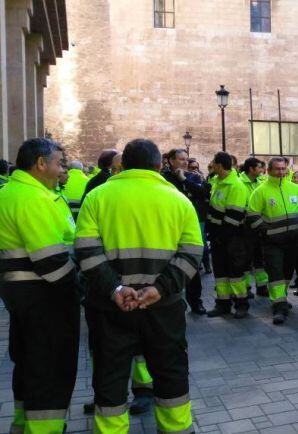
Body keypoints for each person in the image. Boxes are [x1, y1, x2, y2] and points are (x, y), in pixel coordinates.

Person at [75, 138, 202, 434]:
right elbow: (193, 252)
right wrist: (160, 289)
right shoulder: (178, 199)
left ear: (123, 165)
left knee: (109, 376)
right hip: (164, 306)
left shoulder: (98, 197)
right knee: (170, 373)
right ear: (160, 165)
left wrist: (116, 289)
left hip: (110, 307)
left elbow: (85, 251)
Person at [0, 138, 80, 433]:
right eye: (59, 163)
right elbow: (52, 263)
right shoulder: (32, 198)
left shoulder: (11, 191)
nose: (62, 169)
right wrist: (78, 291)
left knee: (29, 362)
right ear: (41, 163)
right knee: (50, 368)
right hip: (44, 297)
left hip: (22, 295)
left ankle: (23, 424)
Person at [246, 157, 298, 324]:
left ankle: (282, 298)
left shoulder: (294, 188)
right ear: (269, 171)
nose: (281, 172)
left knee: (288, 272)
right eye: (277, 169)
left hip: (293, 241)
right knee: (275, 273)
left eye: (283, 169)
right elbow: (252, 216)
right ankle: (278, 307)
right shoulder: (260, 191)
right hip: (272, 242)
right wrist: (266, 232)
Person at [161, 148, 210, 315]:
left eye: (185, 159)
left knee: (192, 265)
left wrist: (184, 179)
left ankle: (196, 302)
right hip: (170, 228)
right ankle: (175, 302)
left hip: (190, 227)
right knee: (170, 266)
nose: (184, 162)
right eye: (180, 159)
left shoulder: (193, 177)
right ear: (170, 161)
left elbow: (204, 192)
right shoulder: (163, 178)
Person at [206, 151, 251, 318]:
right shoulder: (217, 181)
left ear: (219, 164)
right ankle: (223, 304)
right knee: (220, 272)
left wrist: (221, 235)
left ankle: (241, 304)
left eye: (213, 162)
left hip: (233, 237)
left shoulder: (235, 186)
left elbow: (234, 216)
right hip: (219, 236)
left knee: (235, 272)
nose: (211, 165)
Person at [240, 157, 269, 297]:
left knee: (260, 256)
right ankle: (246, 287)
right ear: (251, 169)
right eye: (259, 168)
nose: (262, 170)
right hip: (245, 226)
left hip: (260, 224)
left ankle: (262, 285)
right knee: (246, 257)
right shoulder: (240, 183)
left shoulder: (261, 182)